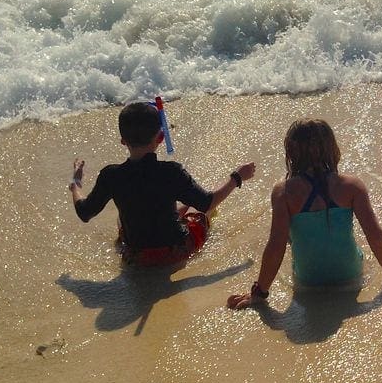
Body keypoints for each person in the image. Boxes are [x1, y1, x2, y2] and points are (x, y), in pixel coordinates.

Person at [227, 119, 382, 309]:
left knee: (286, 237)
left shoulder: (283, 192)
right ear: (332, 149)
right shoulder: (352, 186)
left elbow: (275, 246)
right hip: (350, 274)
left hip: (308, 279)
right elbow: (375, 235)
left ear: (291, 153)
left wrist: (259, 293)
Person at [69, 101, 256, 266]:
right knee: (201, 212)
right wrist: (237, 177)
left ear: (123, 141)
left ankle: (179, 212)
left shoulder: (111, 175)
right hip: (175, 252)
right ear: (160, 138)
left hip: (136, 255)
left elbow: (84, 212)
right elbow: (208, 201)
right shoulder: (172, 172)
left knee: (121, 218)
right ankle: (184, 212)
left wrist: (75, 183)